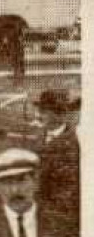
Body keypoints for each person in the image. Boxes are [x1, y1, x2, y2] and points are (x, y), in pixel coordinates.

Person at [33, 88, 79, 228]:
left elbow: (70, 189)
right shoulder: (40, 136)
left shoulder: (74, 143)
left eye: (43, 112)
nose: (38, 116)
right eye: (39, 111)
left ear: (58, 115)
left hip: (59, 215)